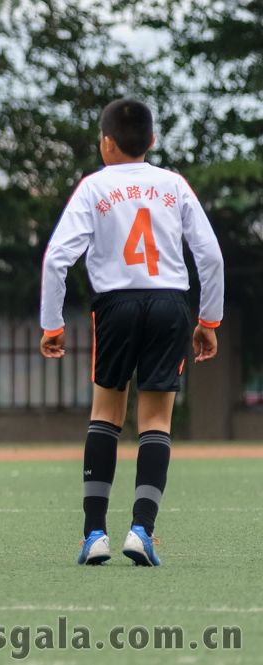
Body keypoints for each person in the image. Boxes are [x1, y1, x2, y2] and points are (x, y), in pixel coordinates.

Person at [39, 99, 224, 567]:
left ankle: (94, 534)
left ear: (106, 143)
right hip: (169, 304)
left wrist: (52, 324)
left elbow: (57, 258)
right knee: (156, 419)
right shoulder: (173, 184)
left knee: (106, 414)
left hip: (116, 305)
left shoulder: (93, 187)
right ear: (152, 141)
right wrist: (208, 321)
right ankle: (142, 530)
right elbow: (211, 257)